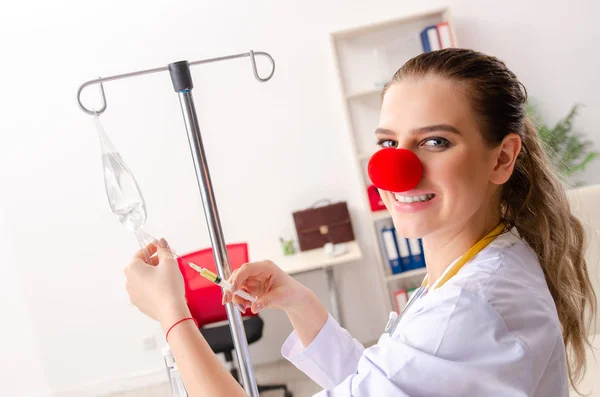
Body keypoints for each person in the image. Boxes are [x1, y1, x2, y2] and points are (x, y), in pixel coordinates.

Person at [124, 48, 597, 396]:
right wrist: (301, 303)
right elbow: (384, 383)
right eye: (389, 144)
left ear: (502, 159)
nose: (397, 169)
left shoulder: (468, 309)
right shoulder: (484, 263)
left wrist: (173, 315)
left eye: (435, 142)